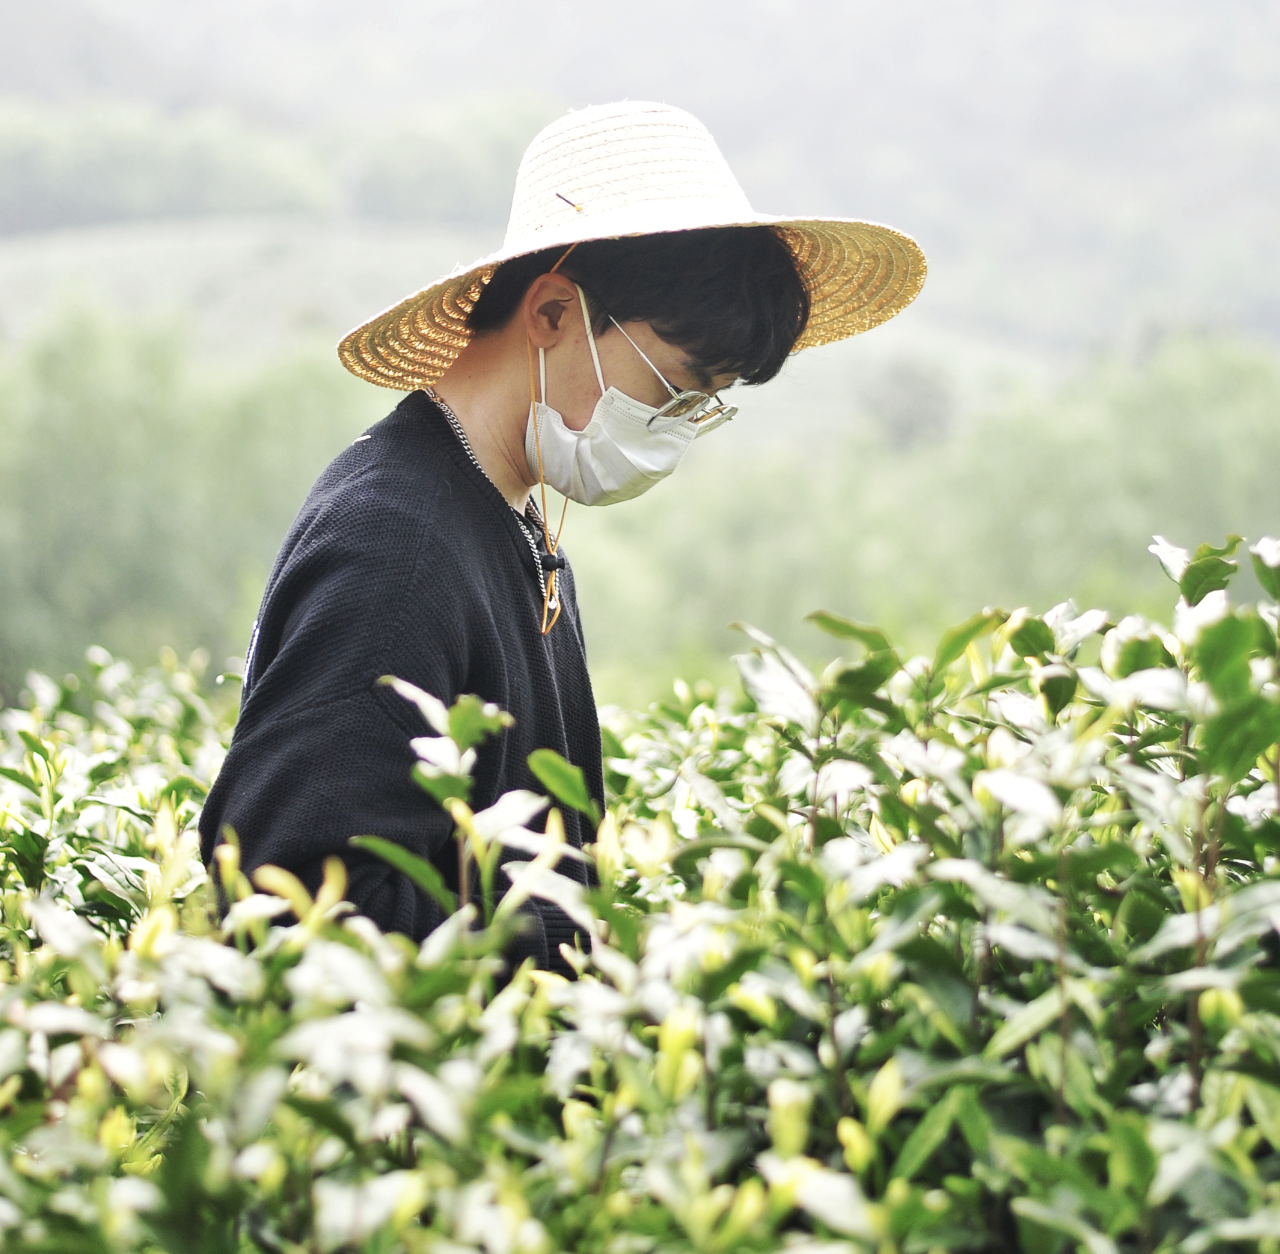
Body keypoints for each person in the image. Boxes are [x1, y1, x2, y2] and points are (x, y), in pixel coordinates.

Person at [198, 101, 925, 973]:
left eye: (707, 405)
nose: (678, 427)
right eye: (676, 387)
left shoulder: (516, 527)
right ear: (551, 313)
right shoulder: (395, 546)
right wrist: (565, 955)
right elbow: (292, 896)